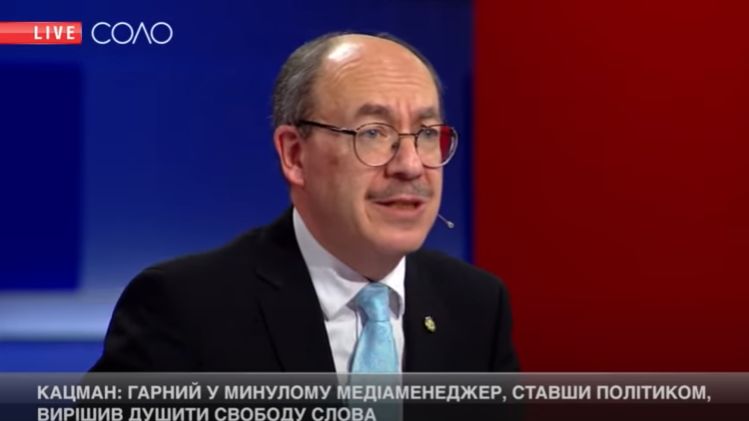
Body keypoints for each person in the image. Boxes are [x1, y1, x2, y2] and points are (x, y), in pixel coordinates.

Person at [91, 32, 518, 374]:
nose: (410, 165)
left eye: (426, 134)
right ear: (295, 155)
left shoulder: (477, 306)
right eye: (373, 132)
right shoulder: (184, 308)